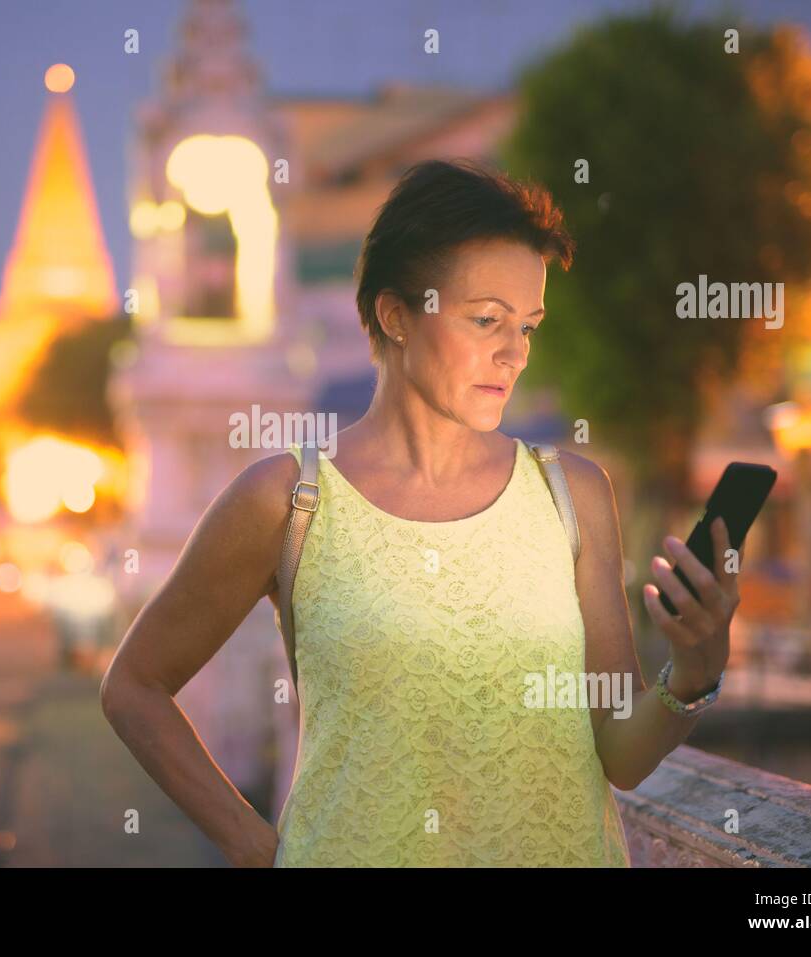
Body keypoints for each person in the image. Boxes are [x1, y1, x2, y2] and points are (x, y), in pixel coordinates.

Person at [100, 158, 741, 867]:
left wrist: (695, 669)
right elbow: (135, 685)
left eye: (528, 325)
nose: (514, 353)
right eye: (487, 319)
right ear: (395, 314)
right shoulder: (288, 501)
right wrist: (252, 843)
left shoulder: (572, 495)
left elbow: (619, 750)